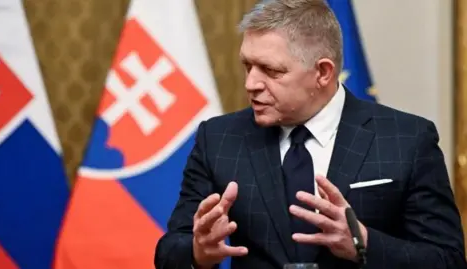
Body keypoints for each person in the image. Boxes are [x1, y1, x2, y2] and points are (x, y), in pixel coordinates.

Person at [154, 0, 466, 268]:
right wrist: (199, 252)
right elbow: (168, 252)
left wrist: (363, 243)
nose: (251, 83)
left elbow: (447, 259)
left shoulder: (407, 139)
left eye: (271, 71)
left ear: (323, 72)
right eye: (247, 66)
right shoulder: (219, 139)